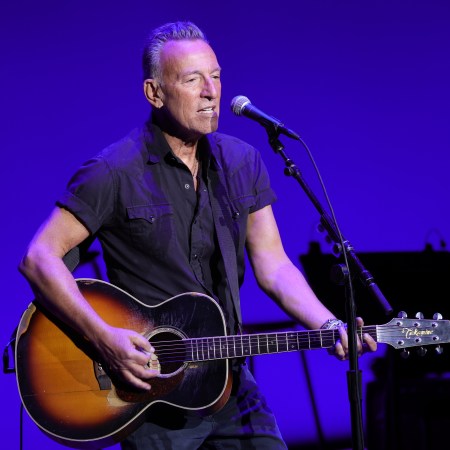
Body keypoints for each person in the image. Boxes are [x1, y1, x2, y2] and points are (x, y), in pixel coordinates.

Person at [19, 21, 377, 449]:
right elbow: (39, 258)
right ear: (155, 93)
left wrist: (329, 323)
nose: (211, 91)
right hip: (150, 393)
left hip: (228, 380)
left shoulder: (242, 162)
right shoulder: (113, 171)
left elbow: (274, 265)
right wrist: (104, 338)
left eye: (216, 76)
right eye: (193, 80)